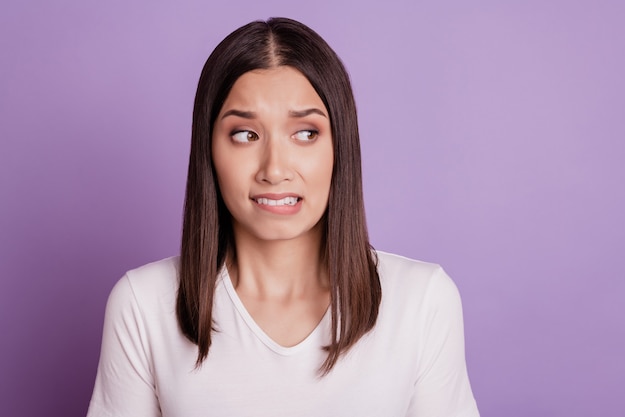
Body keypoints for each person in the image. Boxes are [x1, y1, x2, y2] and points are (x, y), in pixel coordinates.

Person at [87, 17, 479, 417]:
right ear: (209, 150)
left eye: (305, 133)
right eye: (245, 134)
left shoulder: (422, 301)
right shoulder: (143, 304)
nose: (275, 169)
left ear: (339, 147)